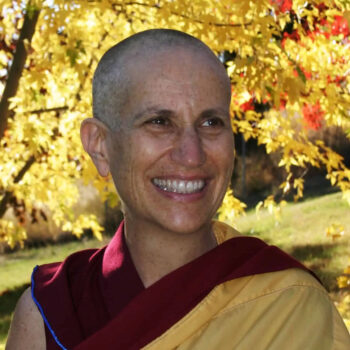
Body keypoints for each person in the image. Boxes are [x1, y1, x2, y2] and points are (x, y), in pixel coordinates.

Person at [6, 29, 350, 350]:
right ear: (100, 146)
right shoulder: (51, 313)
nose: (192, 154)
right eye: (159, 122)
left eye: (211, 122)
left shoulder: (287, 305)